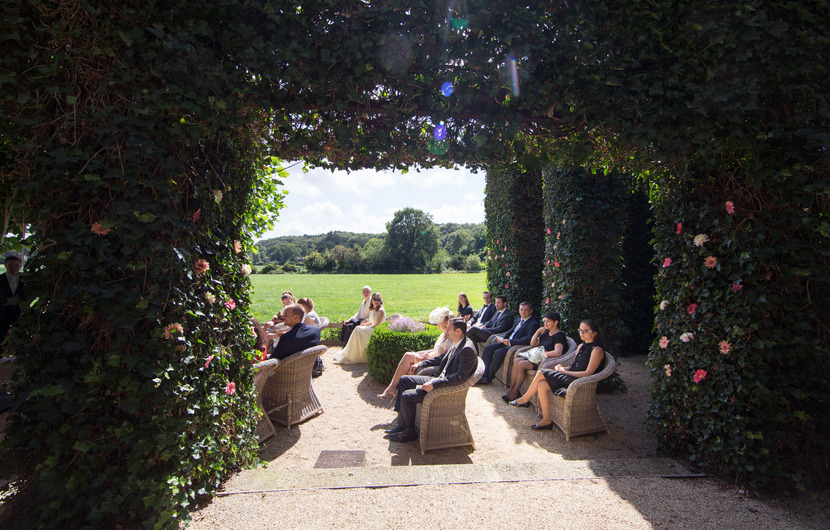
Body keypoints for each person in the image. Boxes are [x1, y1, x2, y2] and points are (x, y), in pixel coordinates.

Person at [384, 319, 478, 443]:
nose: (447, 331)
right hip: (439, 379)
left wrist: (434, 384)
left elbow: (460, 377)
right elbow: (441, 359)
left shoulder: (467, 349)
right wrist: (421, 364)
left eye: (449, 329)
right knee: (404, 380)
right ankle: (402, 425)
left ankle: (410, 433)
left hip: (445, 388)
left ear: (459, 331)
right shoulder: (458, 342)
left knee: (407, 396)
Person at [508, 319, 606, 430]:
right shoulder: (580, 347)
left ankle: (524, 399)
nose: (582, 333)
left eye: (586, 331)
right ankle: (546, 421)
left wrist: (565, 372)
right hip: (570, 376)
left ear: (594, 333)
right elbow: (575, 366)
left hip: (579, 382)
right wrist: (562, 368)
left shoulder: (596, 350)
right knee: (541, 385)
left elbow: (588, 373)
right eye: (580, 330)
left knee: (541, 372)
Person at [377, 309, 454, 399]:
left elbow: (442, 357)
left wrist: (426, 359)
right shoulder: (443, 335)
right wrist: (427, 353)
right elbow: (436, 349)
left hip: (433, 363)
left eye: (439, 320)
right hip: (429, 358)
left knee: (408, 363)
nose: (437, 323)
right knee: (408, 360)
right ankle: (397, 392)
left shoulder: (450, 339)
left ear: (445, 323)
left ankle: (394, 390)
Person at [503, 311, 568, 401]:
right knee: (517, 361)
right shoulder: (546, 333)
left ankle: (515, 392)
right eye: (544, 321)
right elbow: (533, 344)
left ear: (556, 322)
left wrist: (545, 354)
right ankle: (512, 389)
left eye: (548, 321)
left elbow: (558, 352)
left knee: (521, 364)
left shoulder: (559, 336)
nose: (545, 324)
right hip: (537, 358)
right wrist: (537, 332)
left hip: (546, 361)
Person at [478, 302, 539, 384]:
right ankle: (483, 375)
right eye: (521, 310)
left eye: (526, 310)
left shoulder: (533, 324)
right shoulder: (518, 319)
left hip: (515, 345)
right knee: (488, 348)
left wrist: (510, 342)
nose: (523, 312)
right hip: (506, 342)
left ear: (531, 311)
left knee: (498, 353)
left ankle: (488, 378)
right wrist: (503, 338)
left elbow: (528, 339)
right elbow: (511, 331)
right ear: (519, 310)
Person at [333, 292, 385, 364]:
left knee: (358, 330)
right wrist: (366, 323)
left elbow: (378, 324)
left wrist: (368, 326)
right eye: (375, 299)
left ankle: (350, 355)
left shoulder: (381, 310)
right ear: (372, 300)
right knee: (358, 329)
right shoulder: (373, 308)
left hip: (376, 329)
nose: (376, 301)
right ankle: (349, 354)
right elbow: (372, 321)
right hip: (372, 327)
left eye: (378, 300)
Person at [0, 253, 26, 353]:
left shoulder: (26, 279)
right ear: (5, 265)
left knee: (20, 337)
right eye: (10, 265)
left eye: (16, 265)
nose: (13, 268)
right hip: (2, 313)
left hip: (20, 313)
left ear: (20, 266)